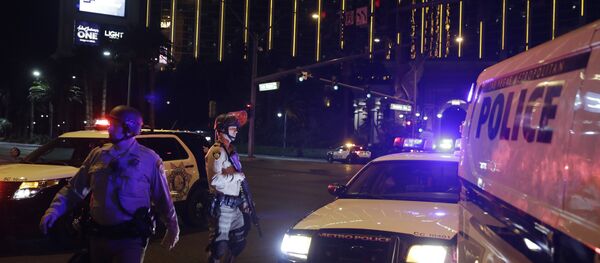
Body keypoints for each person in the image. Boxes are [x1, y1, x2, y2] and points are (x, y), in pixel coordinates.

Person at [39, 105, 179, 263]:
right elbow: (74, 190)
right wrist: (53, 211)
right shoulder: (98, 155)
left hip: (130, 239)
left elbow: (162, 197)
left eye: (113, 124)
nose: (109, 128)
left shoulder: (149, 159)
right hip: (98, 235)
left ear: (128, 127)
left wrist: (173, 226)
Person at [205, 112, 250, 263]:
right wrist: (237, 176)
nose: (236, 131)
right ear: (222, 130)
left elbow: (239, 182)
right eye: (232, 129)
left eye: (236, 129)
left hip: (234, 204)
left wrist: (244, 200)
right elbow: (214, 180)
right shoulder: (217, 152)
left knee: (239, 241)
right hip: (222, 205)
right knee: (219, 246)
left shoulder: (230, 151)